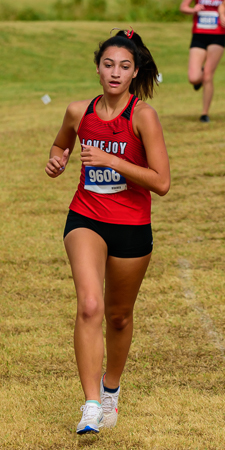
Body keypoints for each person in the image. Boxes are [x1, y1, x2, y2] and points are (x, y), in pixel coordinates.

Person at [45, 28, 170, 435]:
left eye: (124, 66)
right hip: (86, 218)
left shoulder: (143, 116)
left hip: (132, 227)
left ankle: (110, 389)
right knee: (90, 306)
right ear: (98, 68)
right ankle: (91, 405)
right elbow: (60, 144)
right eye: (108, 64)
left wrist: (114, 162)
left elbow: (162, 182)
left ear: (134, 73)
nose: (115, 72)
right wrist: (57, 159)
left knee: (118, 316)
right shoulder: (79, 111)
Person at [180, 0, 225, 122]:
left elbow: (222, 7)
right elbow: (183, 7)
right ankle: (202, 73)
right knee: (193, 78)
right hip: (199, 35)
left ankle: (204, 113)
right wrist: (193, 10)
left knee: (208, 76)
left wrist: (222, 16)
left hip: (219, 35)